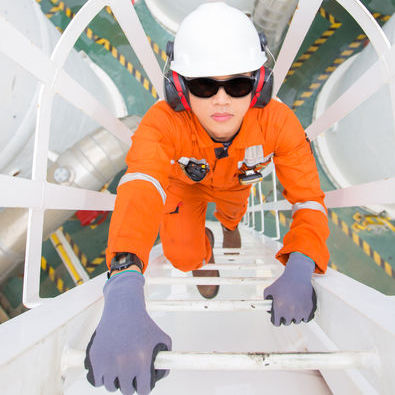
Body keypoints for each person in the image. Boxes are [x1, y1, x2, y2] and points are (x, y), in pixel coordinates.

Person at [84, 2, 330, 394]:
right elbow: (142, 183)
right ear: (178, 89)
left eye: (237, 85)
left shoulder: (278, 123)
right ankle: (205, 248)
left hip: (236, 189)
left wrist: (302, 258)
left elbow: (308, 200)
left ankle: (227, 231)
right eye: (202, 85)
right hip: (185, 189)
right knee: (182, 257)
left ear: (260, 84)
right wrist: (125, 276)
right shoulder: (162, 123)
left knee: (233, 219)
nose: (220, 100)